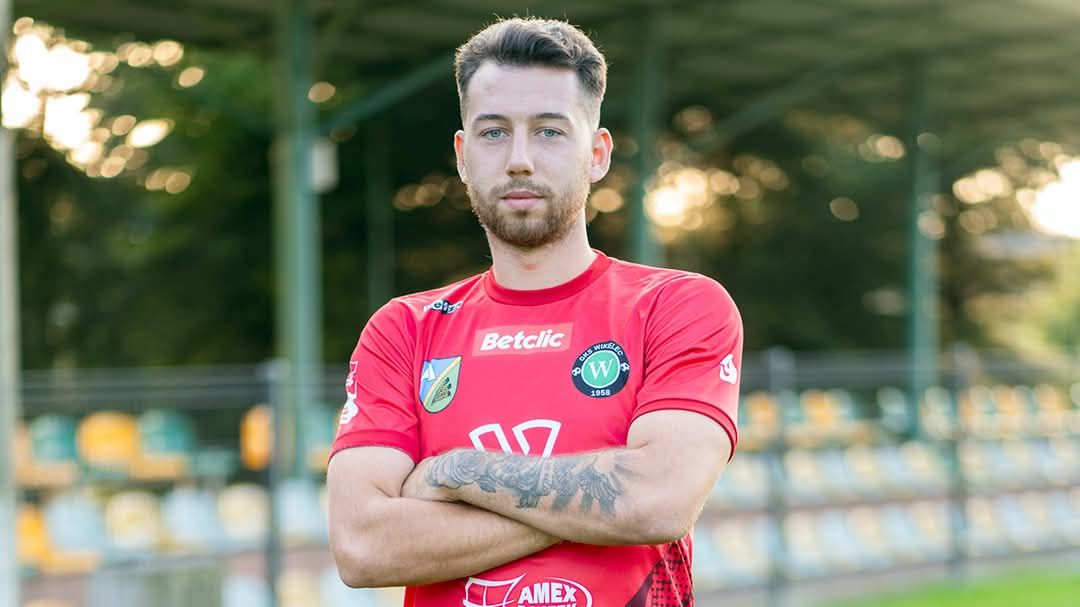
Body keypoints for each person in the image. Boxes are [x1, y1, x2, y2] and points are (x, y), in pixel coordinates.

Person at [327, 16, 743, 607]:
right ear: (464, 155)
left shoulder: (676, 306)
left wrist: (453, 473)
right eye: (494, 133)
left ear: (596, 154)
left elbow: (659, 503)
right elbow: (363, 547)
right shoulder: (404, 329)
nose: (519, 159)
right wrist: (602, 506)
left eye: (549, 131)